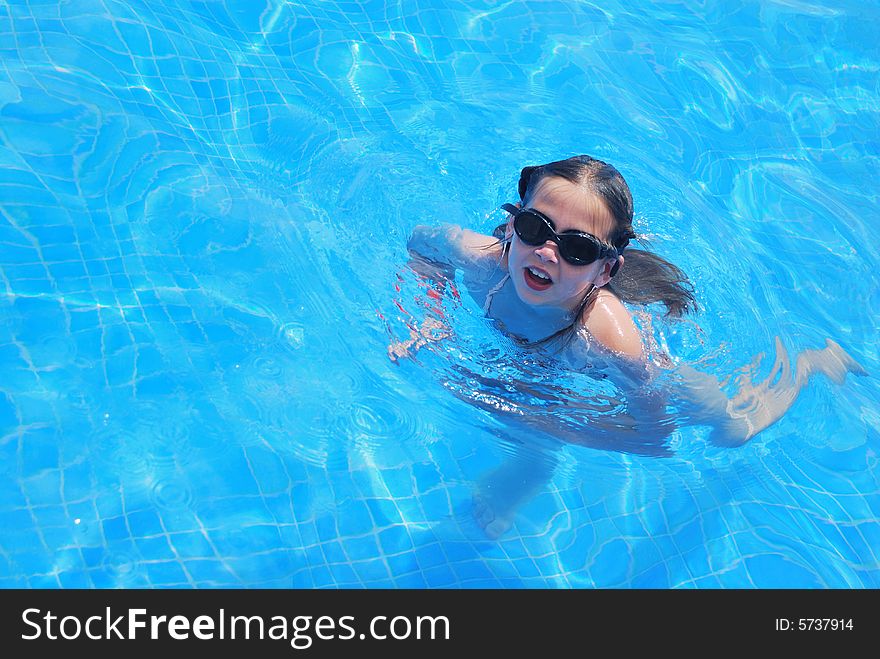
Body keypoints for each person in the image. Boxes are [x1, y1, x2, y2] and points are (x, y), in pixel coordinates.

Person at [390, 155, 867, 539]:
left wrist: (548, 422)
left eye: (576, 249)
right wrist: (430, 316)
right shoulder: (478, 258)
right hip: (541, 355)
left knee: (733, 430)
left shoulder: (611, 342)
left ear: (605, 271)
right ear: (513, 225)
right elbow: (419, 245)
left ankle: (812, 363)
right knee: (520, 408)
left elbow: (653, 438)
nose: (547, 252)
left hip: (658, 374)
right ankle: (533, 458)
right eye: (537, 228)